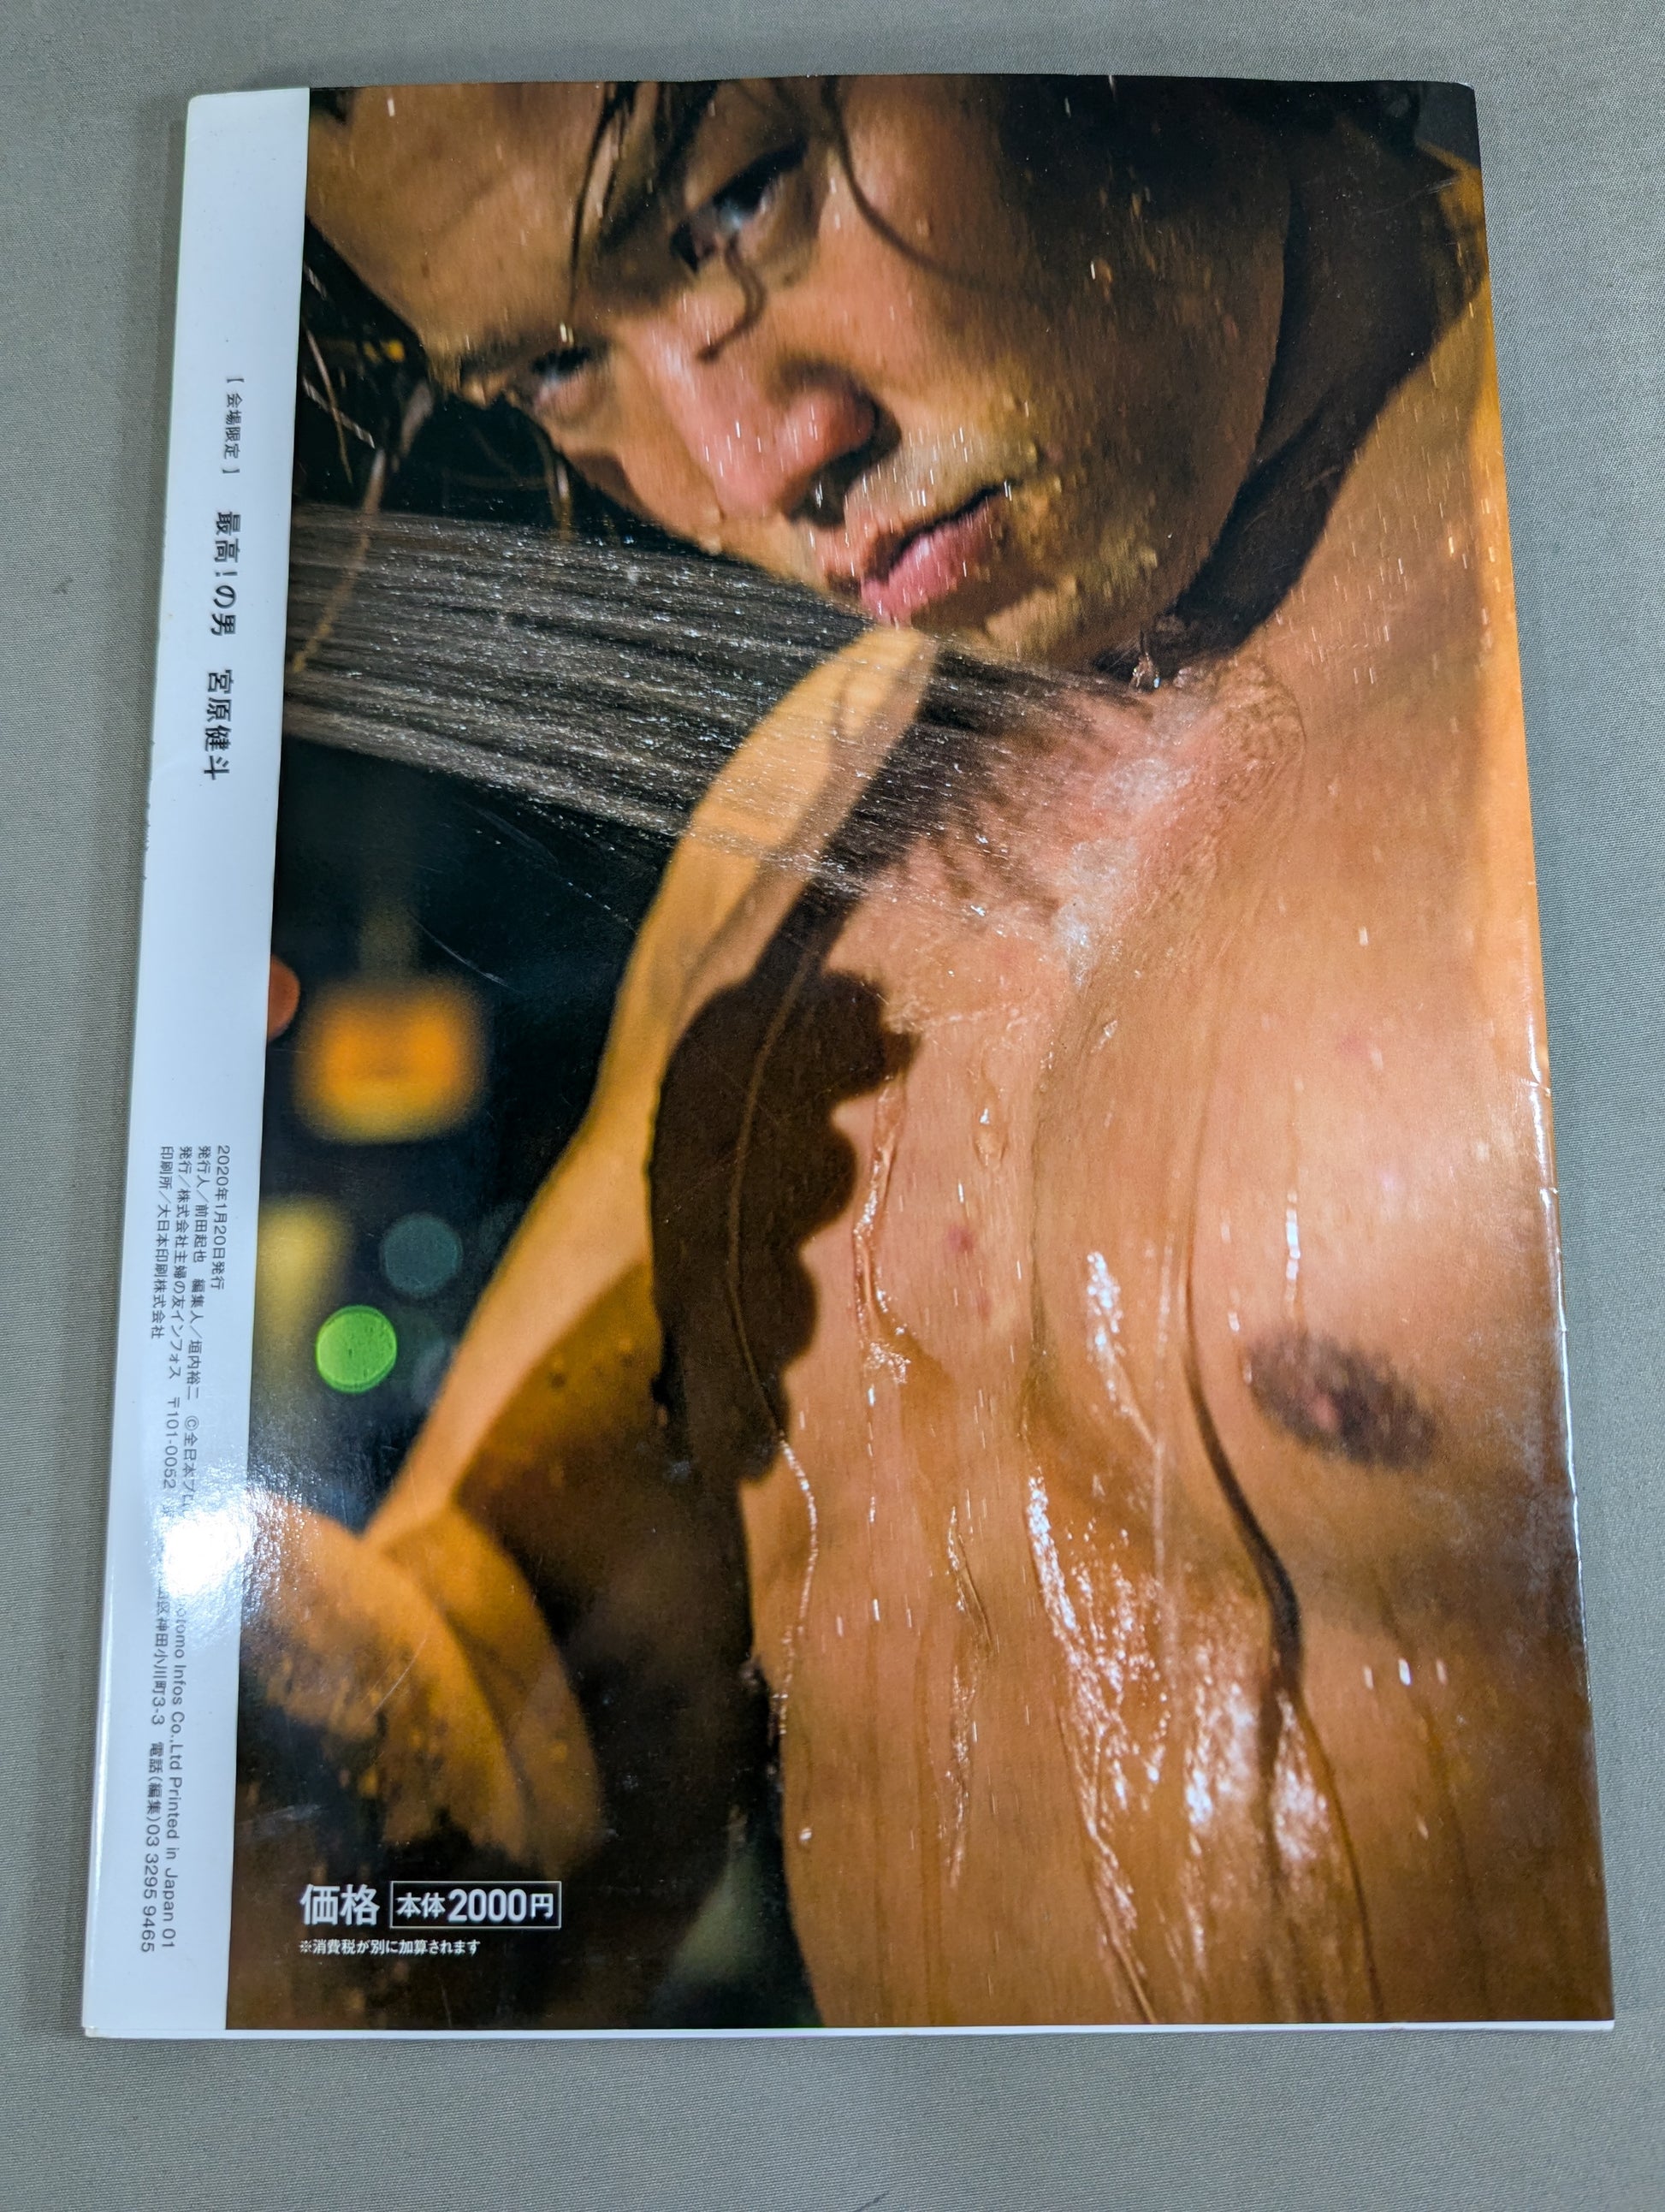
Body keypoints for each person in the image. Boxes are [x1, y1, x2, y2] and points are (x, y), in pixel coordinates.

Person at [235, 75, 1609, 2028]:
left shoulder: (1594, 628)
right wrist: (175, 1633)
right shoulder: (780, 853)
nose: (744, 465)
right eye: (554, 369)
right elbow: (507, 1823)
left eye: (738, 199)